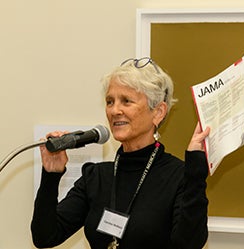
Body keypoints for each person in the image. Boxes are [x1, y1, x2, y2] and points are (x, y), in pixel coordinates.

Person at [31, 57, 210, 249]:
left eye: (126, 101)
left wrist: (195, 171)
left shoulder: (179, 177)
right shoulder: (96, 177)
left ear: (158, 112)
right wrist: (51, 174)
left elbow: (189, 244)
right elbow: (45, 237)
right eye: (110, 101)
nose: (115, 110)